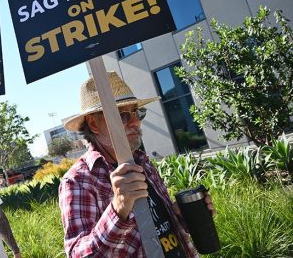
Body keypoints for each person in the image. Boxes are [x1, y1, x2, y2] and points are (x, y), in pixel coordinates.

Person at [58, 72, 216, 258]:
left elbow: (158, 228)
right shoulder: (79, 180)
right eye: (123, 115)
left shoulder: (143, 161)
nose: (135, 122)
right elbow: (78, 254)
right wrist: (118, 209)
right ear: (93, 124)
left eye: (137, 112)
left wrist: (181, 216)